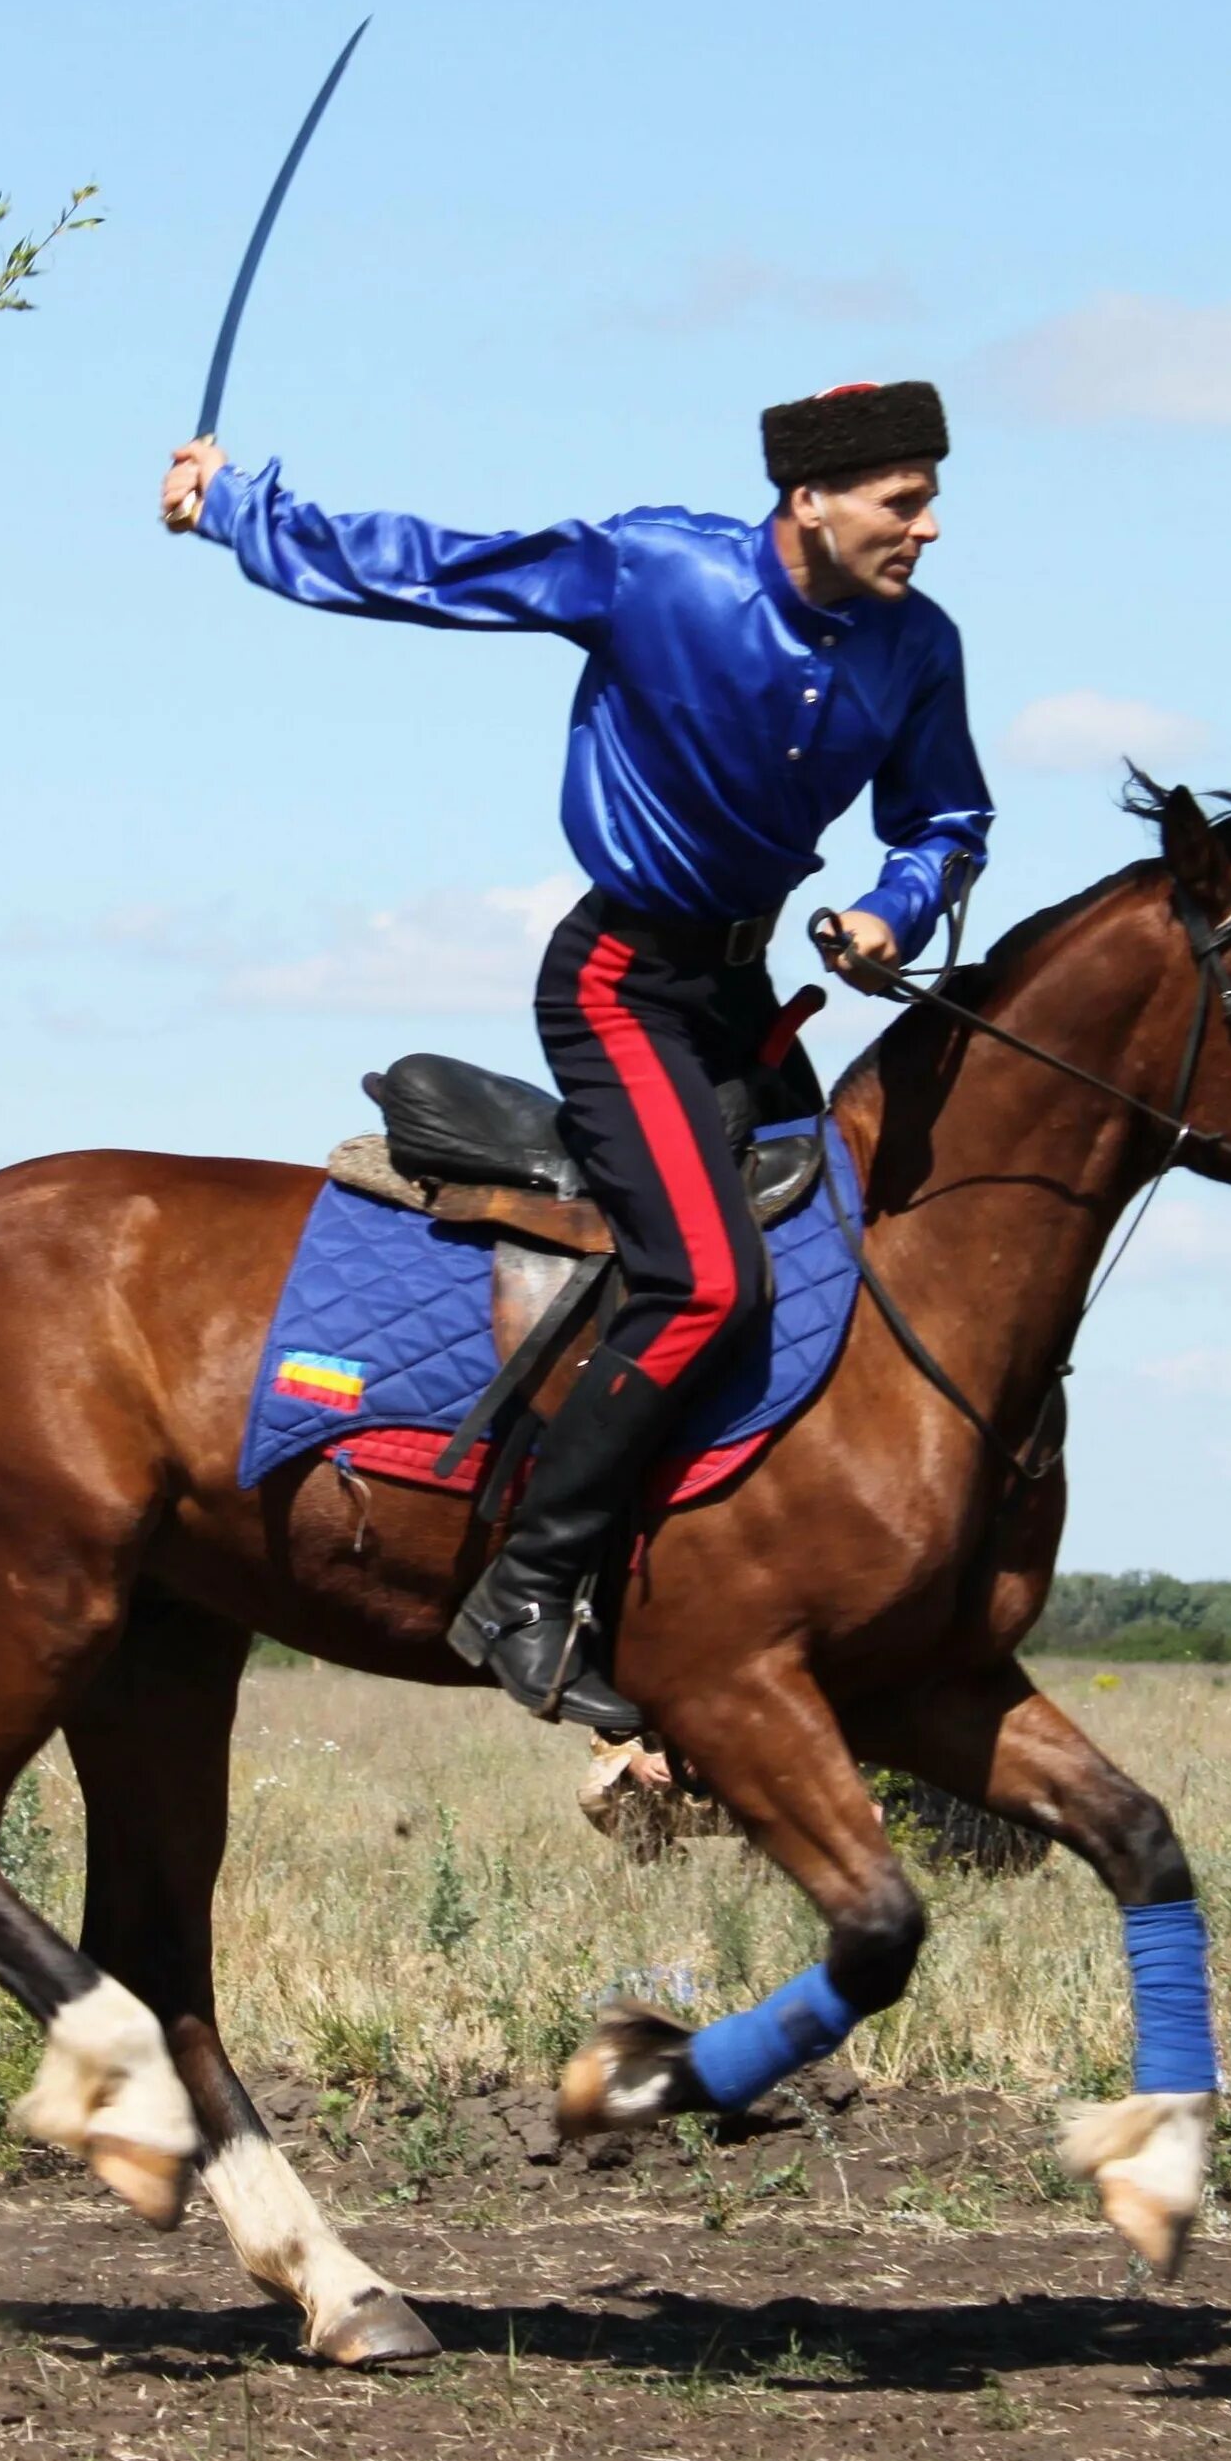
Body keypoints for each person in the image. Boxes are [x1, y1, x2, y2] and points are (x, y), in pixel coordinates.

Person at [162, 380, 992, 1731]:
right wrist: (235, 508)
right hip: (618, 988)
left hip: (747, 996)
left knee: (844, 1277)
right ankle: (529, 1589)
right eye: (905, 501)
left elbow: (947, 817)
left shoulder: (920, 646)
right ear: (811, 501)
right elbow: (431, 571)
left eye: (931, 497)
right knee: (711, 1281)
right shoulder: (655, 567)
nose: (931, 527)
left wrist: (891, 916)